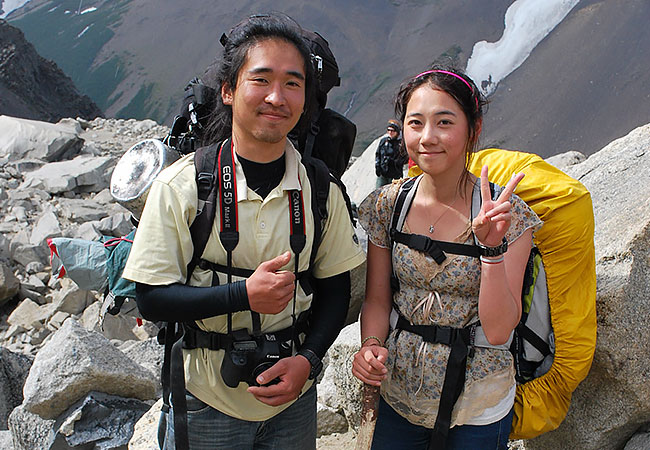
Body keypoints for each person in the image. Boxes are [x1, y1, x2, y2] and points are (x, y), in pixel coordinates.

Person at [123, 14, 365, 449]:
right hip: (205, 399)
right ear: (229, 91)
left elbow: (335, 287)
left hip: (294, 398)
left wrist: (308, 362)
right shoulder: (182, 188)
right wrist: (243, 296)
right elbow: (151, 298)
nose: (277, 97)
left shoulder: (320, 189)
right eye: (262, 79)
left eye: (293, 83)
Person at [351, 67, 542, 449]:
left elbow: (500, 329)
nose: (427, 138)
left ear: (473, 129)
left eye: (444, 122)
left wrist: (491, 250)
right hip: (400, 390)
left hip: (479, 401)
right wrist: (370, 344)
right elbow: (377, 299)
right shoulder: (388, 206)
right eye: (416, 123)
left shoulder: (510, 215)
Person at [375, 119, 407, 187]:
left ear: (397, 132)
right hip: (383, 174)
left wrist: (395, 162)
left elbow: (405, 158)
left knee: (393, 196)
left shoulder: (401, 144)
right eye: (388, 130)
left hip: (395, 176)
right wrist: (377, 166)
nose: (390, 132)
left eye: (392, 130)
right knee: (378, 193)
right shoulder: (383, 141)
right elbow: (378, 154)